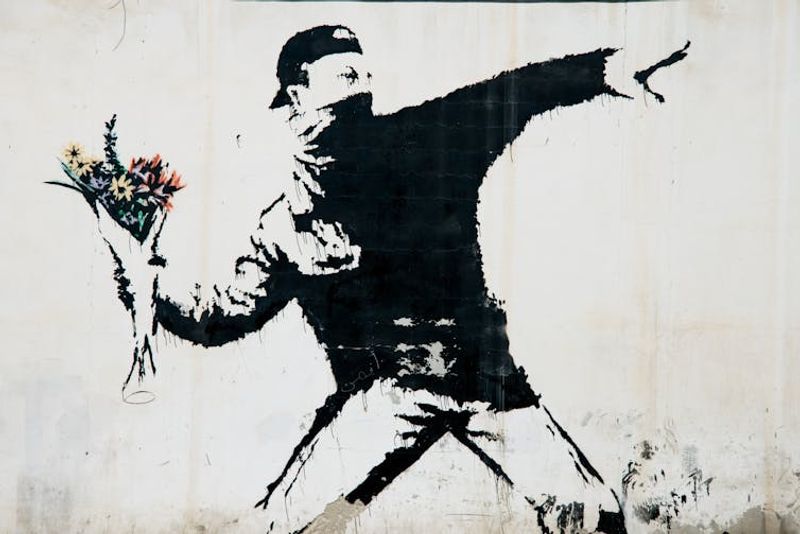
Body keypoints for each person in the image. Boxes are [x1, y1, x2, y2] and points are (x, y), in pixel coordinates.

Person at [97, 24, 688, 533]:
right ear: (297, 95)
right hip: (383, 398)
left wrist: (603, 70)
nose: (358, 85)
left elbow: (514, 91)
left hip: (487, 386)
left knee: (593, 515)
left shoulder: (426, 139)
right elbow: (222, 319)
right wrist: (146, 285)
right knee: (285, 524)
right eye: (342, 75)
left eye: (362, 74)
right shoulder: (286, 221)